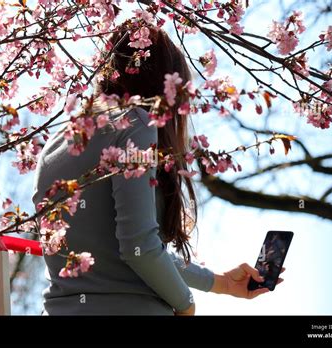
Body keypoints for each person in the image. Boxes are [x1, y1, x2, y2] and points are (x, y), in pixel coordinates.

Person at [31, 25, 283, 315]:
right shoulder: (135, 121)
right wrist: (185, 303)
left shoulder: (54, 144)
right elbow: (139, 246)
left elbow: (134, 252)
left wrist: (222, 283)